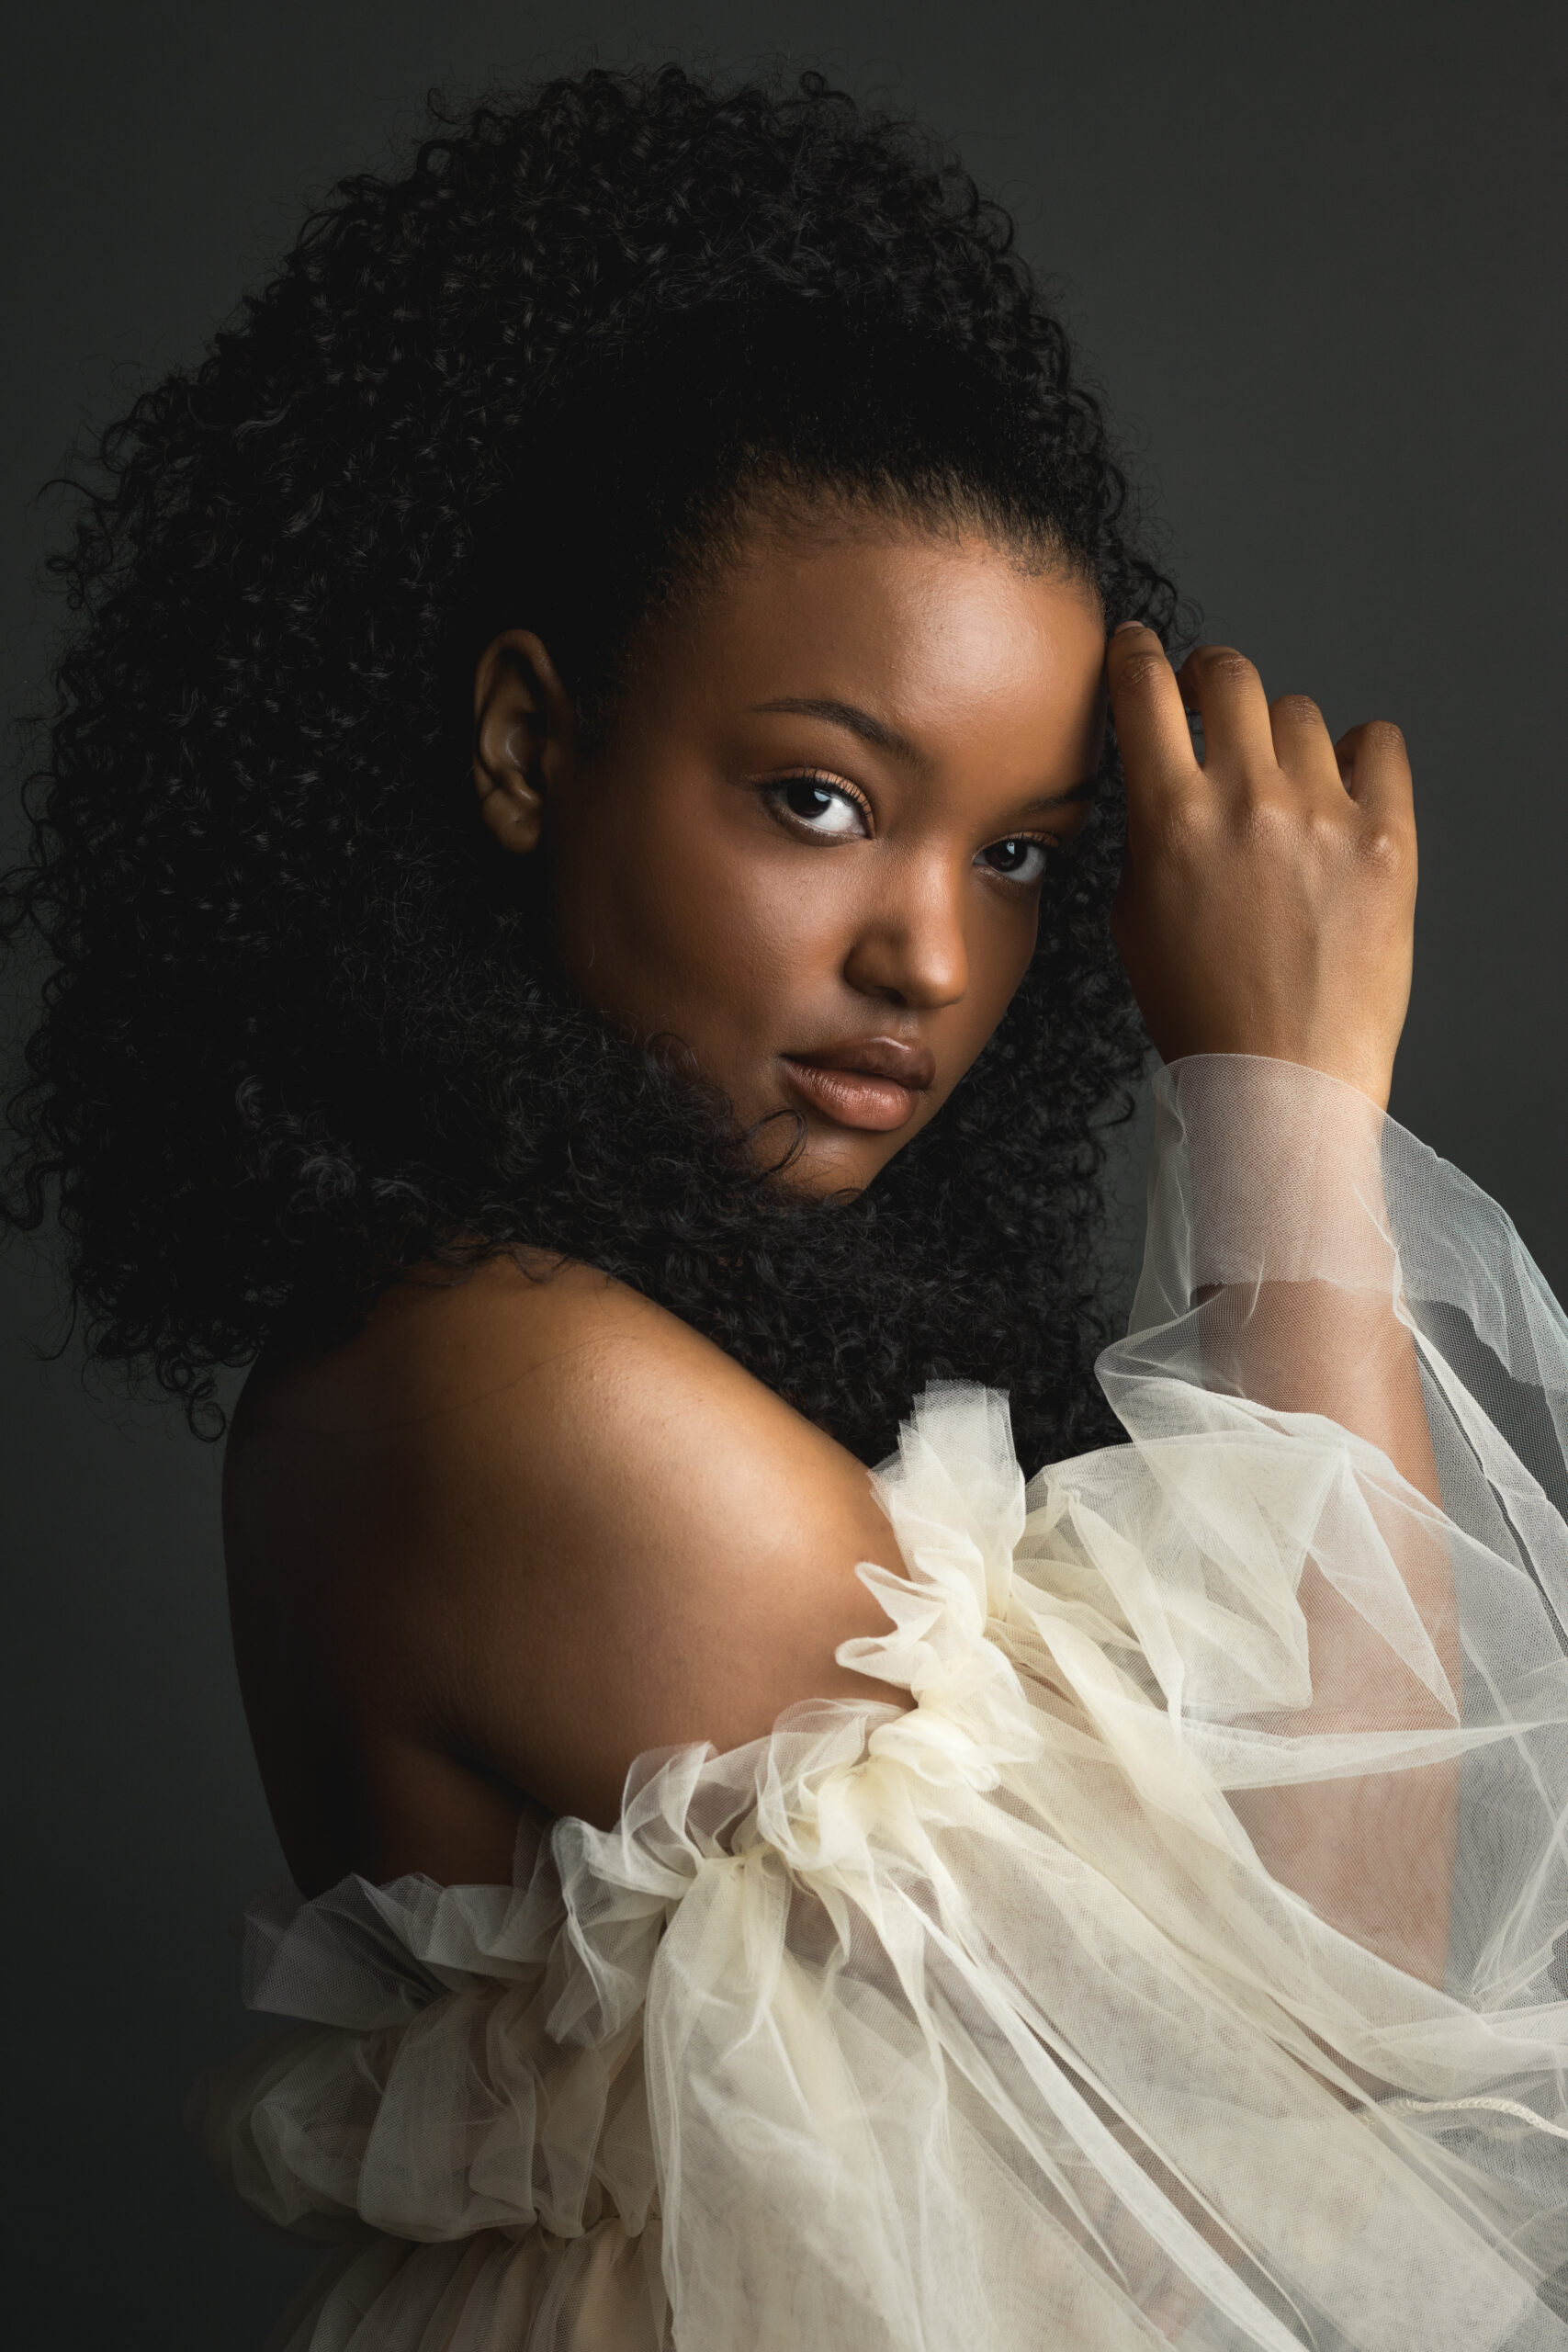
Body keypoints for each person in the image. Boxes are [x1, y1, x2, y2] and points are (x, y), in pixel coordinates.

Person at [5, 61, 1566, 2352]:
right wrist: (1289, 1095)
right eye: (821, 796)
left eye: (1018, 852)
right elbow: (1322, 2006)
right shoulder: (516, 1389)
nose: (932, 957)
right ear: (531, 747)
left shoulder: (539, 1331)